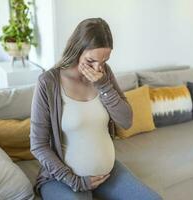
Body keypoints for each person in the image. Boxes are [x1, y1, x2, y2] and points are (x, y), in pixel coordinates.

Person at [30, 17, 162, 200]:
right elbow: (38, 145)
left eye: (105, 60)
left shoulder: (103, 74)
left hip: (107, 174)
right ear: (77, 50)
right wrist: (75, 181)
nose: (98, 67)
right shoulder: (48, 82)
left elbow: (126, 121)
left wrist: (103, 85)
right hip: (62, 179)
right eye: (91, 60)